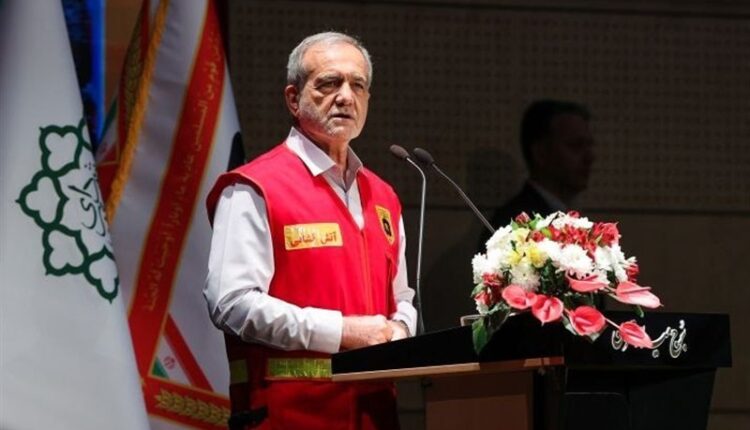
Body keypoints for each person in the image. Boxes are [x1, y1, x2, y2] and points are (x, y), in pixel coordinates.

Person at [204, 32, 417, 430]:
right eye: (329, 83)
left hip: (376, 414)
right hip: (289, 414)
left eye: (358, 85)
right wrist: (343, 331)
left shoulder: (384, 196)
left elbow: (401, 297)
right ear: (293, 98)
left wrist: (401, 329)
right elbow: (231, 303)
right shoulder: (254, 187)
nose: (345, 97)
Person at [481, 99, 594, 245]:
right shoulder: (514, 226)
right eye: (575, 146)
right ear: (540, 153)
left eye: (589, 145)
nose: (590, 157)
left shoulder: (564, 216)